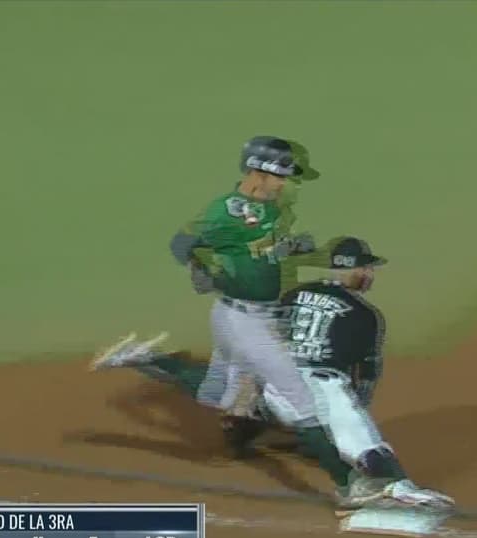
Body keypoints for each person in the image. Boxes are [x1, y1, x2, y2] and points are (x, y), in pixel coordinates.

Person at [91, 137, 409, 511]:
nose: (284, 184)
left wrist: (289, 249)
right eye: (280, 176)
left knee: (222, 393)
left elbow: (258, 253)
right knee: (303, 403)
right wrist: (205, 270)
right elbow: (181, 245)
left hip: (252, 316)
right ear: (259, 171)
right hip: (243, 319)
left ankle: (147, 359)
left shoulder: (268, 210)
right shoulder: (222, 212)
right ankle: (347, 485)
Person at [100, 236, 455, 514]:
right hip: (316, 384)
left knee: (224, 390)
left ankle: (147, 358)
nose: (371, 274)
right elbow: (367, 373)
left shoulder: (295, 294)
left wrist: (249, 381)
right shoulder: (365, 315)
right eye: (367, 268)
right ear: (353, 270)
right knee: (355, 432)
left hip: (271, 378)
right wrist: (357, 402)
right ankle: (392, 485)